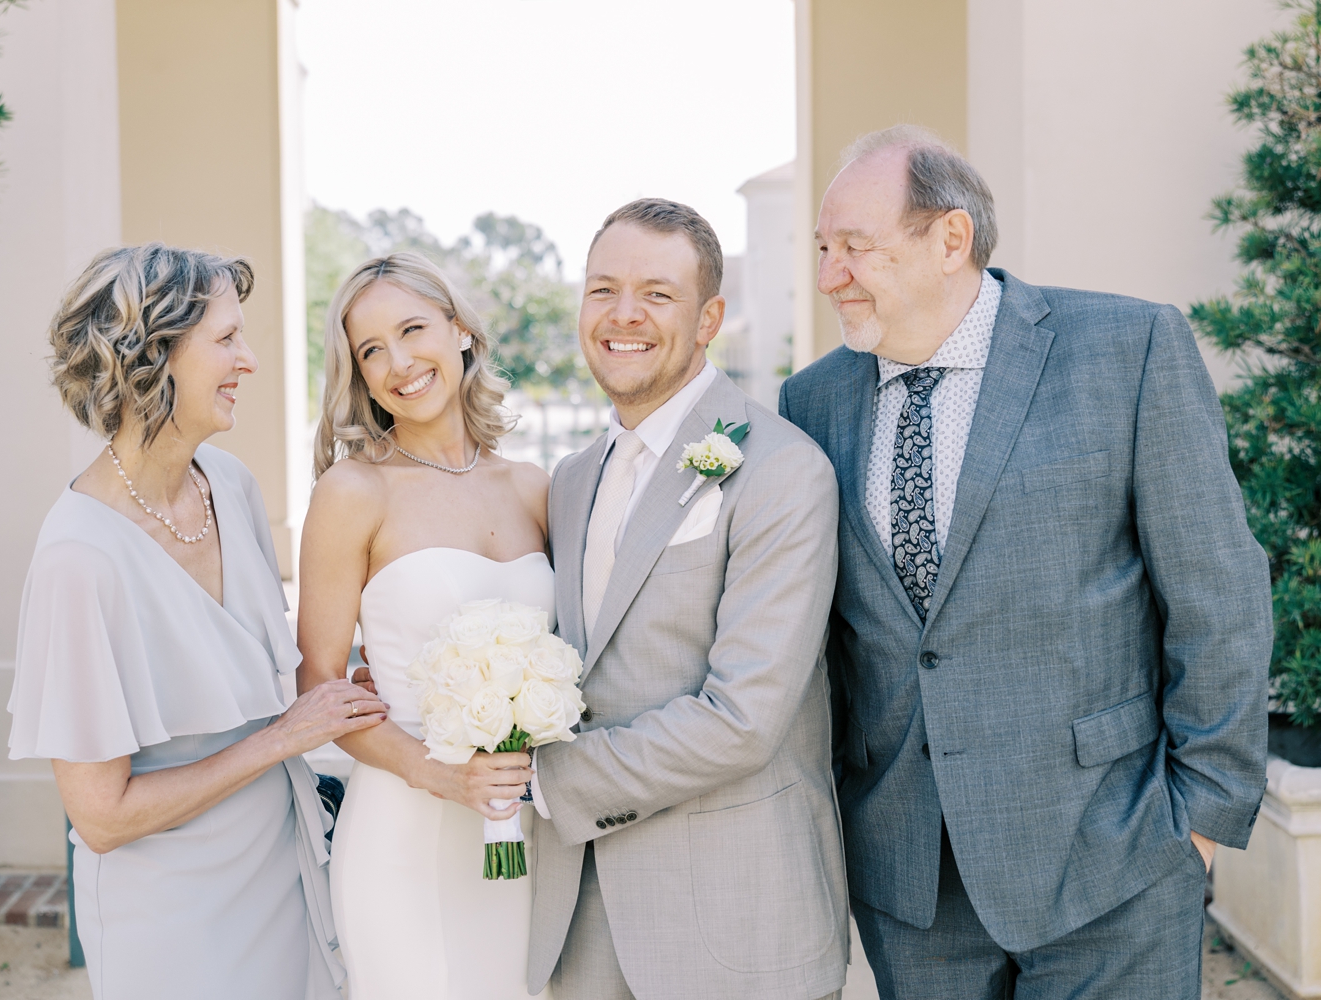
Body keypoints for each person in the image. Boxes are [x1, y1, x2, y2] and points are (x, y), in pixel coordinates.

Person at [779, 126, 1273, 1000]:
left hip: (1113, 864)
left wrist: (1197, 818)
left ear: (950, 239)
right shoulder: (811, 400)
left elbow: (1219, 596)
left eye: (855, 248)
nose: (829, 277)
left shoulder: (1128, 349)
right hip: (912, 891)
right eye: (823, 249)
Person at [8, 244, 386, 1000]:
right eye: (225, 339)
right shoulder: (78, 559)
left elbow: (268, 678)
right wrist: (282, 737)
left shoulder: (233, 487)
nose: (247, 360)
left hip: (282, 873)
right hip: (168, 915)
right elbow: (103, 817)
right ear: (152, 356)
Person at [528, 199, 849, 1000]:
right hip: (582, 922)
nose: (623, 315)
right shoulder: (569, 481)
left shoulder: (780, 470)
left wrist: (544, 781)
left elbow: (743, 719)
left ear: (710, 318)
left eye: (656, 294)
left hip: (735, 928)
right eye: (603, 290)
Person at [297, 252, 552, 999]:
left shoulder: (535, 488)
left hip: (520, 830)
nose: (398, 363)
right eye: (371, 350)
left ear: (462, 332)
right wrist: (434, 771)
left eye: (413, 330)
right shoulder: (353, 492)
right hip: (403, 826)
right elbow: (318, 683)